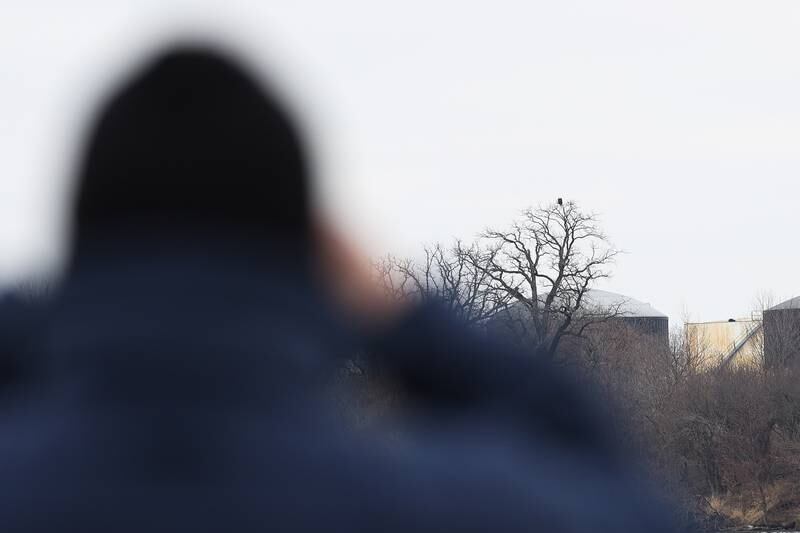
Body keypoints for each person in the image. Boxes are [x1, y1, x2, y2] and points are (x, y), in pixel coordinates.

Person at [0, 44, 681, 532]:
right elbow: (625, 497)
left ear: (83, 252)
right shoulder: (441, 501)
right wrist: (407, 322)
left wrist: (35, 311)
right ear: (312, 246)